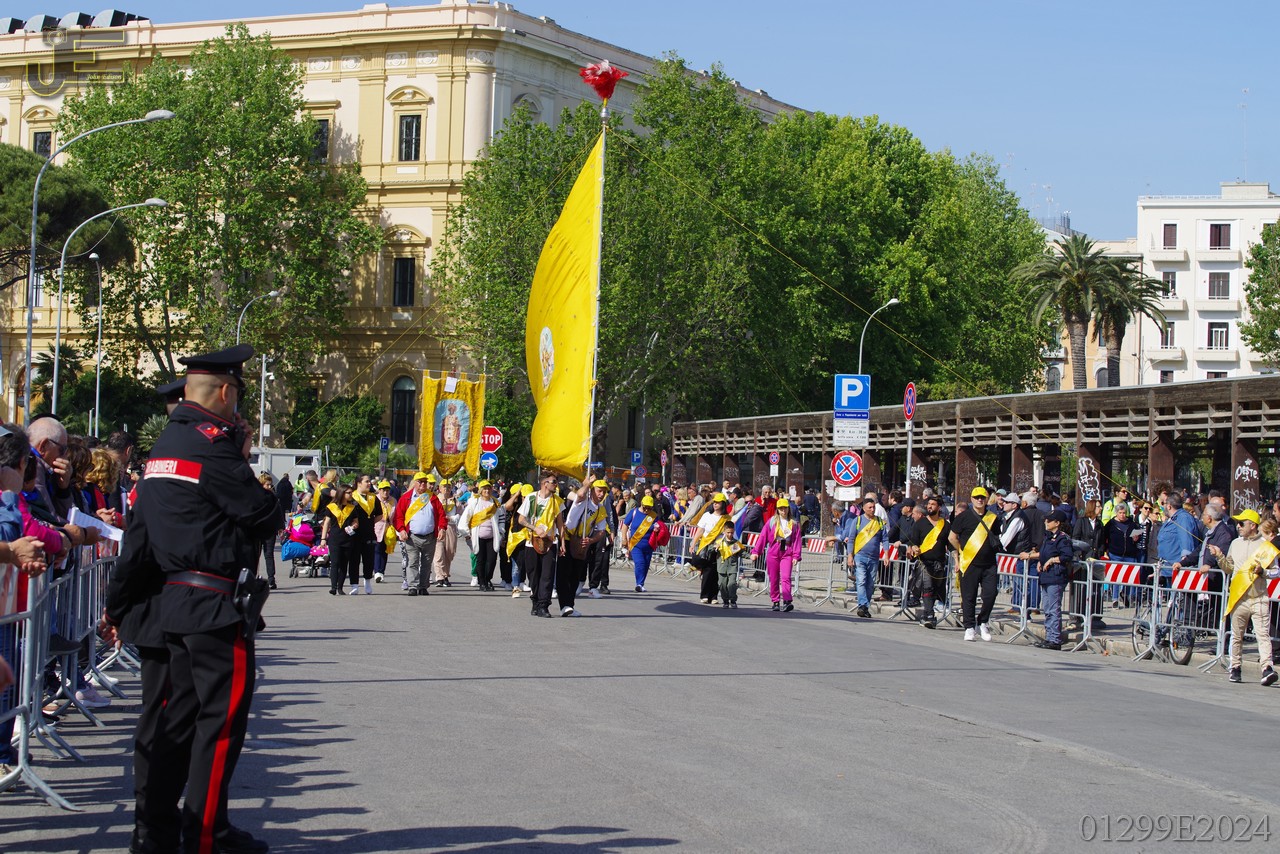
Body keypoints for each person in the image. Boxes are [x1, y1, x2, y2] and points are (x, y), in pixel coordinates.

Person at [101, 344, 280, 854]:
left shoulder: (163, 447)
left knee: (174, 726)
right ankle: (206, 836)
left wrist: (116, 604)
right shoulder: (212, 445)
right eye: (236, 394)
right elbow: (263, 514)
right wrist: (241, 459)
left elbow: (139, 538)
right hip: (214, 605)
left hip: (175, 604)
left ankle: (155, 832)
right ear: (225, 391)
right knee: (219, 727)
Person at [1210, 510, 1278, 685]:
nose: (1238, 527)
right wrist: (1219, 556)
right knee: (1236, 635)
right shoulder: (1235, 544)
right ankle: (1235, 667)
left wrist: (1263, 572)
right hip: (1239, 597)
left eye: (1242, 523)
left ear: (1252, 525)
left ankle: (1267, 668)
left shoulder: (1265, 546)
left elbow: (1276, 571)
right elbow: (1229, 568)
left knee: (1263, 635)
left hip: (1259, 597)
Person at [948, 486, 1003, 642]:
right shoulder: (963, 517)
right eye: (977, 497)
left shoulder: (993, 517)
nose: (980, 500)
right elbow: (952, 537)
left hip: (989, 563)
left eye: (982, 497)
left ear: (987, 499)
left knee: (990, 594)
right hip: (969, 563)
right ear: (971, 499)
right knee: (969, 597)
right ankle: (969, 627)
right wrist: (961, 552)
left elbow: (996, 537)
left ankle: (983, 622)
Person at [1020, 510, 1073, 650]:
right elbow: (1045, 552)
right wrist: (1040, 560)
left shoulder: (1062, 538)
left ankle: (1055, 639)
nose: (1046, 522)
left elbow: (1067, 555)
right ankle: (1049, 637)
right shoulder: (1048, 537)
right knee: (1048, 609)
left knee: (1053, 609)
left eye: (1049, 521)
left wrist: (1052, 560)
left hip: (1056, 577)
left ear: (1057, 523)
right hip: (1046, 576)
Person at [517, 474, 565, 617]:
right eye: (553, 482)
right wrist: (534, 528)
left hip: (550, 542)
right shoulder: (532, 498)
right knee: (533, 574)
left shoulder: (557, 501)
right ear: (545, 483)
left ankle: (544, 605)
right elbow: (521, 519)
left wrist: (562, 543)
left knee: (547, 575)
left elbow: (560, 524)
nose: (556, 484)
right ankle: (535, 602)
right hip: (532, 542)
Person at [559, 480, 608, 615]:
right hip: (567, 538)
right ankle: (564, 605)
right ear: (592, 490)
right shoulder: (583, 500)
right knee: (564, 574)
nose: (601, 494)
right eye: (599, 490)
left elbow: (601, 531)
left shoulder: (601, 509)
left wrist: (591, 540)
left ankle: (570, 606)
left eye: (604, 492)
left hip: (581, 544)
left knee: (575, 576)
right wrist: (587, 484)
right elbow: (580, 494)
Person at [393, 472, 445, 596]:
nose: (423, 484)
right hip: (412, 536)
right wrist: (401, 530)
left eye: (425, 482)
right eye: (420, 482)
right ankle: (413, 586)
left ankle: (423, 586)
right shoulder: (406, 498)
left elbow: (441, 515)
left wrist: (442, 528)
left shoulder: (432, 497)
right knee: (413, 562)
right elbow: (398, 516)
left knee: (427, 563)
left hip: (430, 536)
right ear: (414, 483)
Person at [752, 496, 802, 612]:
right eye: (781, 508)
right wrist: (756, 552)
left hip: (787, 552)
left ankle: (787, 601)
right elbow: (763, 537)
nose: (783, 511)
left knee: (786, 577)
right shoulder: (772, 522)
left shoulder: (793, 524)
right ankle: (775, 601)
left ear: (788, 509)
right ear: (777, 510)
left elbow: (797, 541)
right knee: (774, 578)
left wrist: (796, 555)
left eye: (785, 508)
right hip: (774, 551)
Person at [908, 496, 950, 628]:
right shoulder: (920, 523)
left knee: (936, 589)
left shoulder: (945, 525)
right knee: (928, 587)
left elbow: (950, 543)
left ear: (939, 507)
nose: (930, 506)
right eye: (929, 504)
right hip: (924, 562)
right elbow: (913, 540)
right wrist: (914, 547)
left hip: (939, 563)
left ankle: (926, 615)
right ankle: (930, 615)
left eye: (933, 504)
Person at [843, 497, 883, 619]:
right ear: (864, 508)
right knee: (861, 581)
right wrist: (850, 556)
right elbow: (851, 539)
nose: (872, 509)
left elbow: (885, 538)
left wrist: (886, 554)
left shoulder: (879, 521)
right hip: (860, 556)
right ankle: (862, 605)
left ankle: (865, 607)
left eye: (873, 507)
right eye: (870, 507)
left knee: (870, 584)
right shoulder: (858, 521)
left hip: (874, 557)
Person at [318, 483, 360, 596]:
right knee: (335, 563)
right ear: (342, 493)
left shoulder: (352, 508)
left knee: (343, 564)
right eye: (349, 493)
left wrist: (354, 525)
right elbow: (326, 523)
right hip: (334, 539)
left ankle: (340, 587)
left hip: (348, 539)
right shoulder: (331, 507)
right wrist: (323, 539)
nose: (351, 495)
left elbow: (356, 522)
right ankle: (333, 587)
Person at [458, 480, 500, 591]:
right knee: (480, 560)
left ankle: (487, 579)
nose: (487, 491)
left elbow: (501, 518)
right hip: (478, 536)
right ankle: (482, 582)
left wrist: (501, 532)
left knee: (492, 560)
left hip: (492, 537)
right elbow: (466, 517)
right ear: (481, 490)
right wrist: (466, 533)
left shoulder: (495, 503)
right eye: (484, 489)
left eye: (488, 488)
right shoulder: (474, 503)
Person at [692, 493, 732, 604]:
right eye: (714, 502)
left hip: (720, 547)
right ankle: (704, 595)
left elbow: (729, 534)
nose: (715, 504)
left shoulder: (727, 518)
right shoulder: (707, 516)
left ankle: (714, 596)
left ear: (723, 504)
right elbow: (700, 531)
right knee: (708, 571)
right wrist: (693, 543)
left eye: (718, 502)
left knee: (717, 572)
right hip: (707, 546)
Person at [348, 474, 383, 594]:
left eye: (369, 482)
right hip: (355, 534)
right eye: (366, 481)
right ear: (359, 483)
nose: (369, 484)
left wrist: (369, 522)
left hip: (369, 533)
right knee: (354, 560)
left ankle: (367, 581)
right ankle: (354, 585)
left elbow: (380, 514)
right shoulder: (352, 496)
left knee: (369, 559)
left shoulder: (373, 497)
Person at [620, 494, 659, 594]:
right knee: (640, 563)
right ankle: (639, 584)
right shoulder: (633, 512)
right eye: (645, 507)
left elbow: (659, 527)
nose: (647, 510)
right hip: (636, 544)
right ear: (641, 504)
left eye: (649, 508)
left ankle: (641, 584)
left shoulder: (654, 516)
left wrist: (657, 529)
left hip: (649, 545)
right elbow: (625, 525)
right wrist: (624, 539)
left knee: (646, 565)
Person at [256, 473, 283, 590]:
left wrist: (280, 527)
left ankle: (271, 579)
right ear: (261, 485)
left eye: (270, 485)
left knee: (269, 555)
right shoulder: (255, 498)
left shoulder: (273, 498)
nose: (269, 487)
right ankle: (252, 577)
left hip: (270, 531)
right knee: (255, 555)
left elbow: (278, 513)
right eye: (267, 485)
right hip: (257, 531)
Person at [431, 481, 460, 587]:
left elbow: (460, 514)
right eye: (444, 487)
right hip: (438, 528)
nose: (446, 489)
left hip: (451, 528)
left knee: (449, 552)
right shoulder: (435, 499)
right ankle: (440, 577)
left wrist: (452, 518)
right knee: (439, 553)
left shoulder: (455, 500)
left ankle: (446, 574)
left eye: (448, 487)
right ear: (440, 488)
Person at [372, 480, 397, 583]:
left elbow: (395, 515)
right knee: (377, 549)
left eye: (387, 490)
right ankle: (377, 571)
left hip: (388, 528)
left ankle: (381, 572)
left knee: (385, 550)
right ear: (379, 490)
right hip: (377, 527)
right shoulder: (374, 499)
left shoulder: (393, 500)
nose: (386, 492)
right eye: (383, 490)